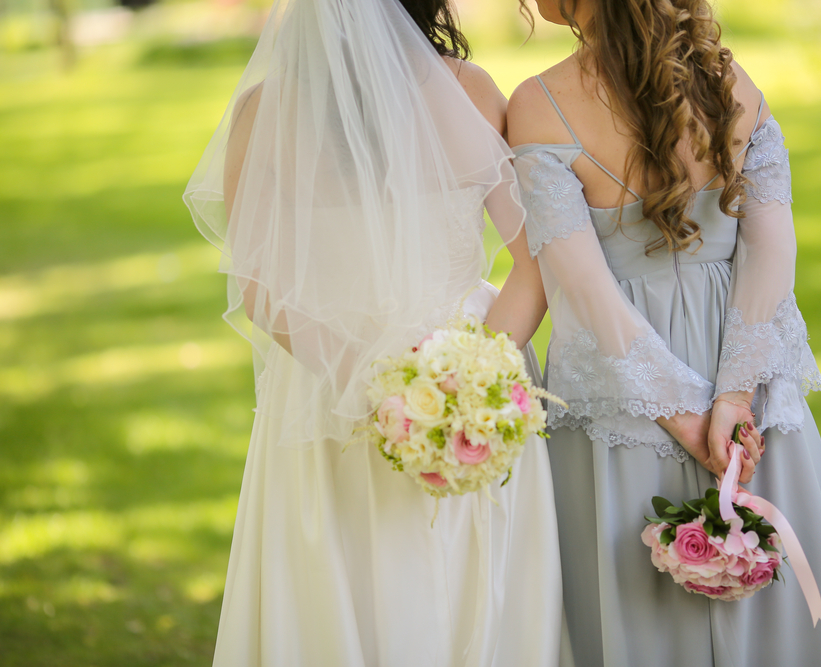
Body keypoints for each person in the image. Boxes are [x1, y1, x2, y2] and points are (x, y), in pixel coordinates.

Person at [183, 0, 561, 664]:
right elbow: (534, 266)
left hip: (326, 387)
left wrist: (371, 384)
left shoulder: (261, 111)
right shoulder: (468, 91)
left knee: (336, 591)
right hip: (469, 372)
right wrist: (469, 384)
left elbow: (260, 289)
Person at [507, 0, 821, 665]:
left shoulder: (540, 104)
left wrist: (682, 411)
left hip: (627, 392)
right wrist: (733, 396)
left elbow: (589, 291)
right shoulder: (735, 87)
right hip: (741, 381)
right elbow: (770, 255)